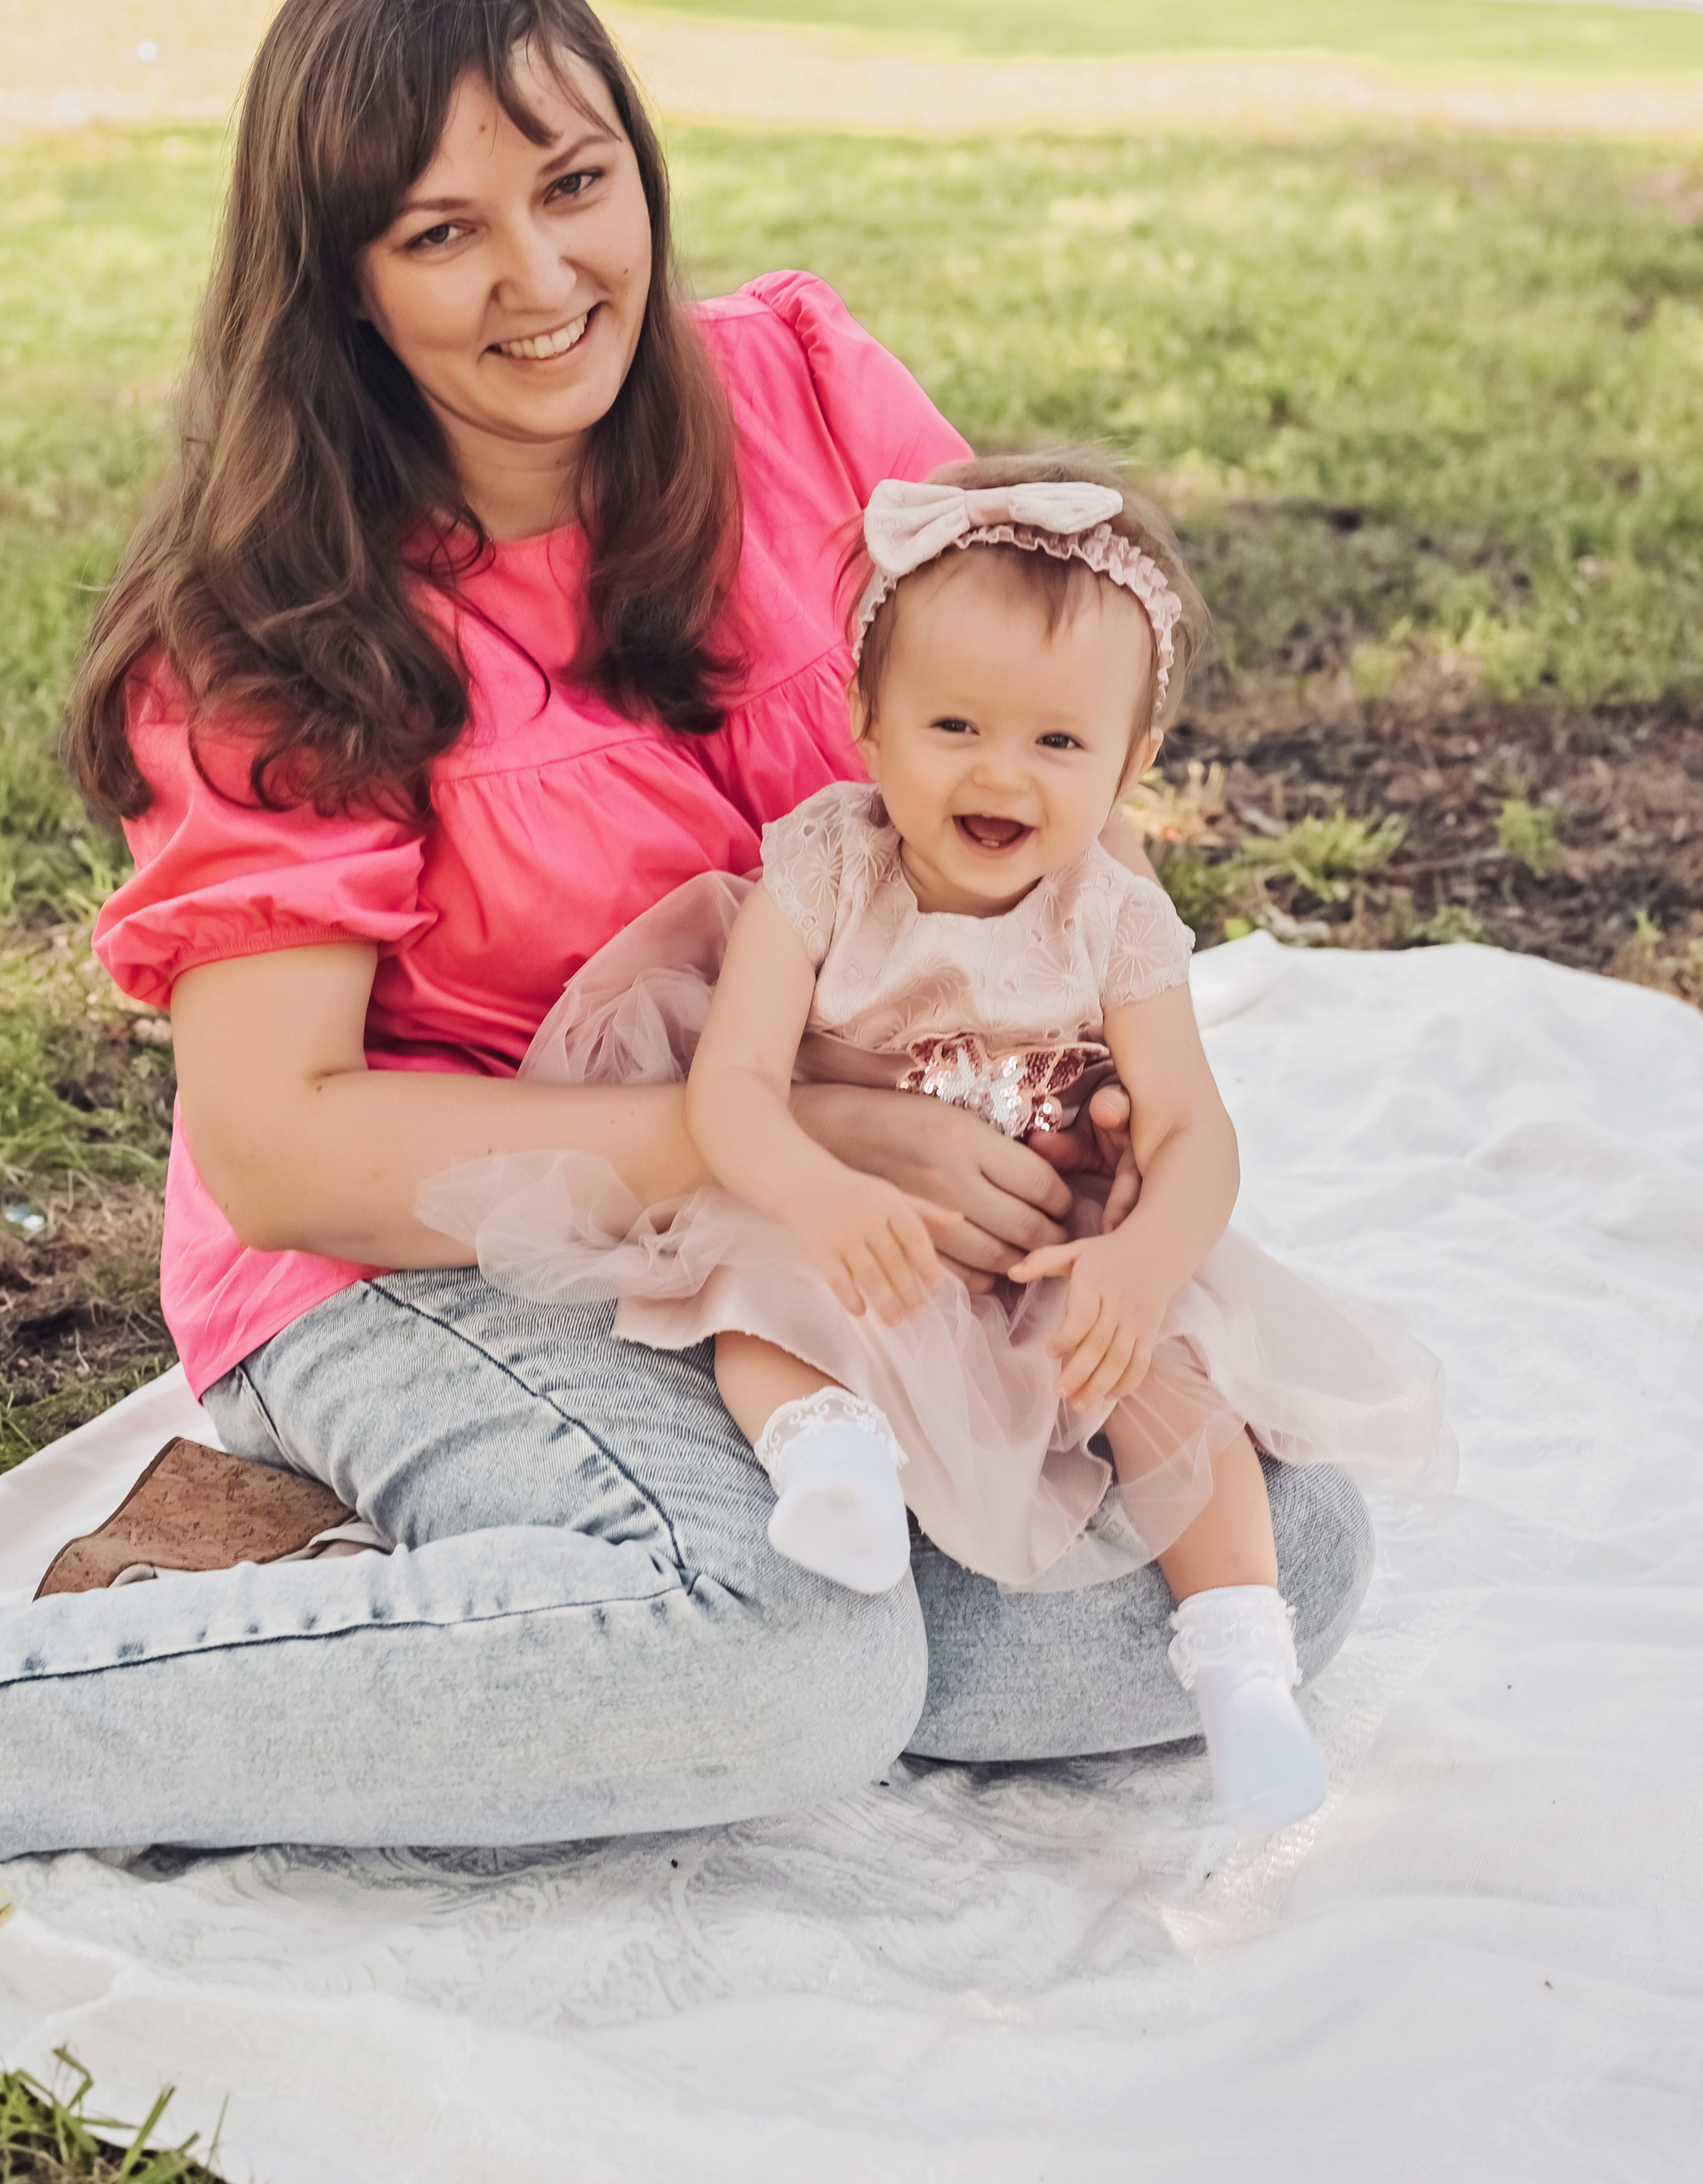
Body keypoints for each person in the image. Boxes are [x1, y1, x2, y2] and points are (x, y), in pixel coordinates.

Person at [0, 0, 1374, 1897]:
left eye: (574, 185)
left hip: (839, 1232)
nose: (545, 279)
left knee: (1275, 1556)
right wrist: (803, 1130)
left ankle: (491, 1635)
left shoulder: (801, 397)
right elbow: (286, 1150)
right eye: (440, 231)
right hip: (424, 1253)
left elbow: (1042, 761)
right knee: (790, 1662)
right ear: (344, 284)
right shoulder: (283, 612)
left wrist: (1069, 1133)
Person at [426, 456, 1449, 1839]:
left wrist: (1143, 1262)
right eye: (954, 722)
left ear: (1133, 767)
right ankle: (829, 1464)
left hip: (1048, 1229)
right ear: (868, 720)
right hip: (845, 1200)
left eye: (1058, 743)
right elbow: (730, 1086)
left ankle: (1242, 1671)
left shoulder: (1112, 918)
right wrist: (816, 1191)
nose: (998, 772)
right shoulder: (826, 868)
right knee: (756, 1287)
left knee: (1169, 1375)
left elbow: (1199, 1128)